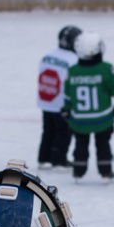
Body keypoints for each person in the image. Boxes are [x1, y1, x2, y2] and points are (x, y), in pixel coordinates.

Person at [63, 31, 114, 182]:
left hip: (79, 121)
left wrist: (66, 110)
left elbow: (67, 96)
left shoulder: (72, 71)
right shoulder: (106, 69)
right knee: (103, 146)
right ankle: (105, 173)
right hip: (102, 120)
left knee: (80, 146)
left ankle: (78, 172)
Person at [37, 25, 80, 169]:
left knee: (48, 130)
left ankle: (44, 158)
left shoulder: (48, 54)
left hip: (46, 100)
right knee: (63, 131)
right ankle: (59, 160)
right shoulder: (73, 59)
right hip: (61, 102)